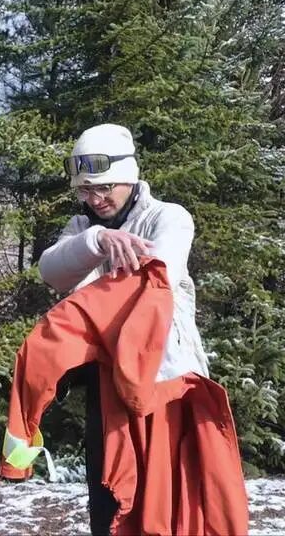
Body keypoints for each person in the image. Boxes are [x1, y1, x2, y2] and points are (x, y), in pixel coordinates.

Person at [38, 123, 210, 536]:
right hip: (107, 382)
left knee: (164, 491)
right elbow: (51, 270)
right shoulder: (84, 229)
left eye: (104, 188)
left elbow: (155, 280)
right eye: (85, 191)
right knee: (109, 490)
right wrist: (96, 241)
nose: (95, 199)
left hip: (166, 378)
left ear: (129, 177)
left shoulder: (168, 217)